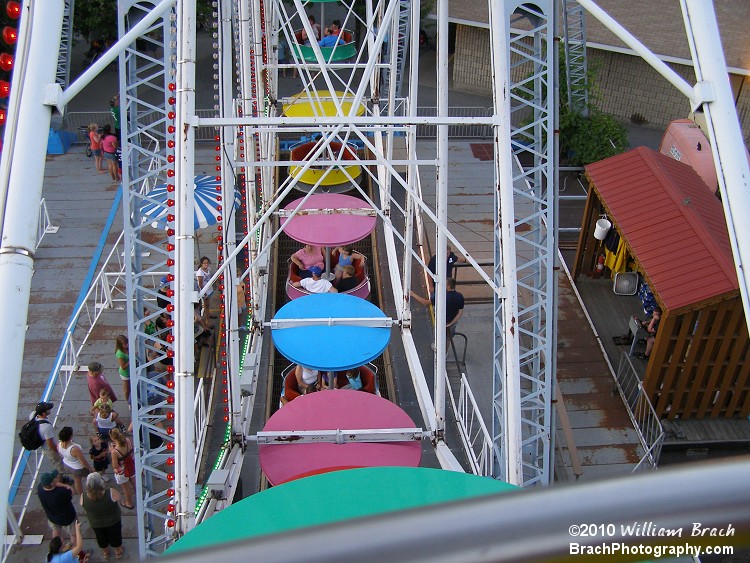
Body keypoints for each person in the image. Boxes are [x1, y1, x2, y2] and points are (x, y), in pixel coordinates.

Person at [80, 472, 124, 561]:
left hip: (96, 523)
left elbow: (82, 505)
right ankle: (118, 551)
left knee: (101, 538)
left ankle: (105, 553)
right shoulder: (110, 492)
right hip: (113, 520)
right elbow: (119, 498)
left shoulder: (83, 497)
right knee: (115, 536)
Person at [37, 469, 77, 543]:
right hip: (67, 518)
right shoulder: (61, 493)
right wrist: (69, 487)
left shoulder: (40, 488)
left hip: (52, 516)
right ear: (51, 483)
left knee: (56, 530)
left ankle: (56, 547)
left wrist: (64, 485)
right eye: (54, 479)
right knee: (74, 534)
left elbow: (54, 484)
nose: (56, 478)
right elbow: (71, 493)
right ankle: (76, 552)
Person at [31, 401, 65, 473]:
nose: (49, 410)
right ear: (43, 413)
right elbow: (50, 444)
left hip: (43, 446)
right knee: (59, 463)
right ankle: (61, 477)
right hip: (49, 450)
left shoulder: (33, 416)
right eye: (48, 409)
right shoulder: (46, 427)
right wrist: (58, 451)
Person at [58, 427, 93, 495]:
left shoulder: (59, 445)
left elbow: (61, 455)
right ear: (70, 436)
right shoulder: (75, 449)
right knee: (87, 478)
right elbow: (83, 462)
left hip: (67, 464)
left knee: (77, 480)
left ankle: (81, 495)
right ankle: (89, 491)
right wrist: (90, 468)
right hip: (77, 468)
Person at [109, 428, 135, 509]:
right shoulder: (128, 440)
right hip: (131, 466)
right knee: (134, 482)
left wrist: (111, 451)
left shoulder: (115, 452)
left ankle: (129, 503)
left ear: (112, 438)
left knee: (126, 488)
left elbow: (115, 466)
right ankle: (139, 494)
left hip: (122, 472)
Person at [195, 256, 214, 325]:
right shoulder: (200, 273)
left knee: (208, 305)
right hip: (205, 291)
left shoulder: (208, 269)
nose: (206, 264)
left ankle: (208, 314)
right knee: (206, 305)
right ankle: (207, 320)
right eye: (204, 263)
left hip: (209, 289)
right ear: (201, 264)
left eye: (207, 263)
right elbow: (200, 284)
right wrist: (204, 293)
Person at [114, 335, 130, 404]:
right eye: (124, 344)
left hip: (130, 371)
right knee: (127, 389)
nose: (126, 345)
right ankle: (129, 402)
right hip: (125, 373)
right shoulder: (120, 354)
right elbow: (123, 367)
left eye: (127, 343)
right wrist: (130, 361)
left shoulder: (127, 348)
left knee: (127, 386)